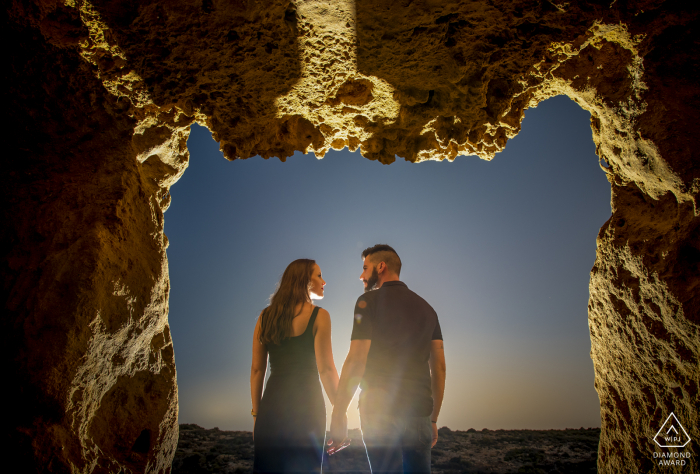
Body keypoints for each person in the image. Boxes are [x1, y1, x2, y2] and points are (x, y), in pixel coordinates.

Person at [327, 245, 446, 474]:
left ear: (381, 267)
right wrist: (433, 419)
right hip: (419, 413)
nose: (361, 275)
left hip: (378, 411)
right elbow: (439, 368)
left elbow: (356, 360)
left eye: (365, 268)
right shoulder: (428, 310)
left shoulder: (367, 302)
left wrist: (339, 412)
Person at [251, 259, 339, 473]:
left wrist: (257, 416)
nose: (324, 281)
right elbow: (326, 370)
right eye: (319, 275)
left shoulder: (264, 317)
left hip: (270, 412)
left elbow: (257, 371)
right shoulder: (320, 316)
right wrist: (340, 412)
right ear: (304, 280)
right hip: (307, 411)